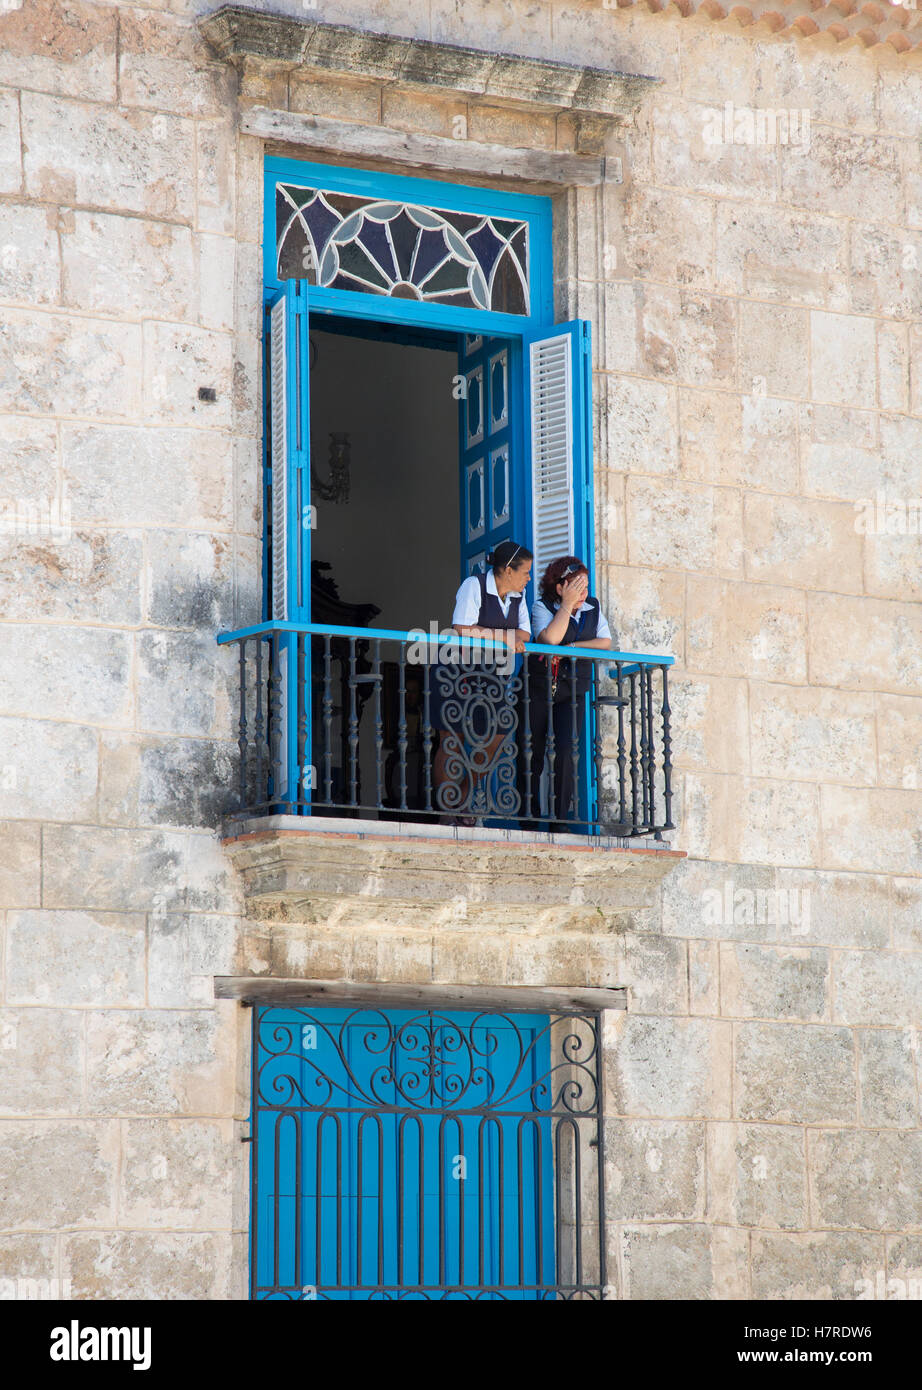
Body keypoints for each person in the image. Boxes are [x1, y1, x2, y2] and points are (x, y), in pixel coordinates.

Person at [433, 540, 533, 825]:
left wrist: (493, 635)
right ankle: (447, 809)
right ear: (507, 570)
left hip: (491, 675)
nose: (528, 578)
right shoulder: (473, 586)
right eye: (525, 572)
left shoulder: (517, 595)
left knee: (495, 736)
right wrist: (503, 637)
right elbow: (462, 629)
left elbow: (525, 633)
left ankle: (464, 797)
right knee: (452, 740)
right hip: (455, 670)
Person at [520, 555, 613, 831]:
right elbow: (550, 639)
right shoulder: (542, 607)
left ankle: (560, 819)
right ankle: (528, 816)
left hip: (572, 689)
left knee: (566, 751)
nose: (583, 594)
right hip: (537, 688)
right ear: (559, 588)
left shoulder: (592, 607)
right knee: (530, 751)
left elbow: (605, 641)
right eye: (576, 587)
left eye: (585, 587)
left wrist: (573, 646)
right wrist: (566, 606)